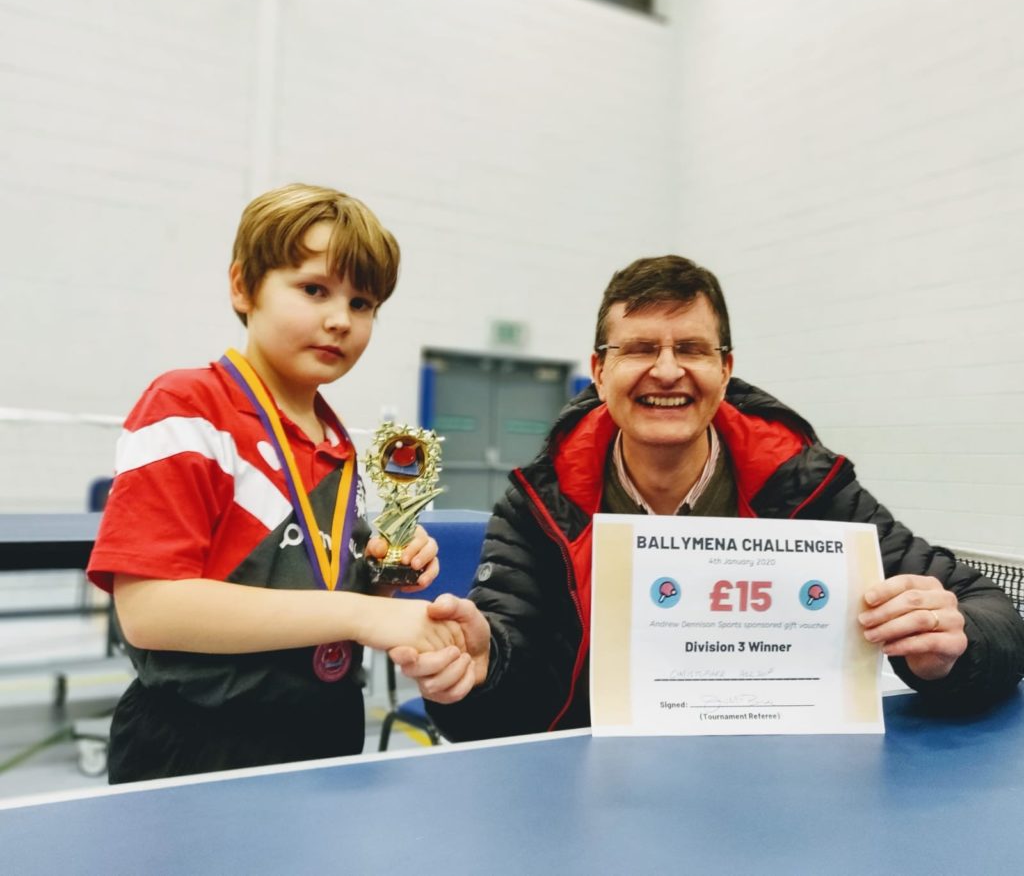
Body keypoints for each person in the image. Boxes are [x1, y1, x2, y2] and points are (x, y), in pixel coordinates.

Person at [390, 255, 1024, 740]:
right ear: (599, 368)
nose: (667, 370)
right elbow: (503, 708)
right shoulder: (540, 506)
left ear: (726, 367)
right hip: (600, 793)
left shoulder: (805, 487)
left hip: (778, 780)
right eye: (639, 348)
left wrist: (954, 647)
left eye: (691, 348)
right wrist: (471, 681)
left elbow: (995, 612)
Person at [87, 183, 465, 782]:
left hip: (327, 724)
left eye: (363, 303)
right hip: (199, 741)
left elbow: (319, 595)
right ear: (243, 287)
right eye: (313, 289)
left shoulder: (337, 441)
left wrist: (384, 580)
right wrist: (358, 616)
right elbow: (151, 611)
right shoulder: (186, 407)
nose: (340, 320)